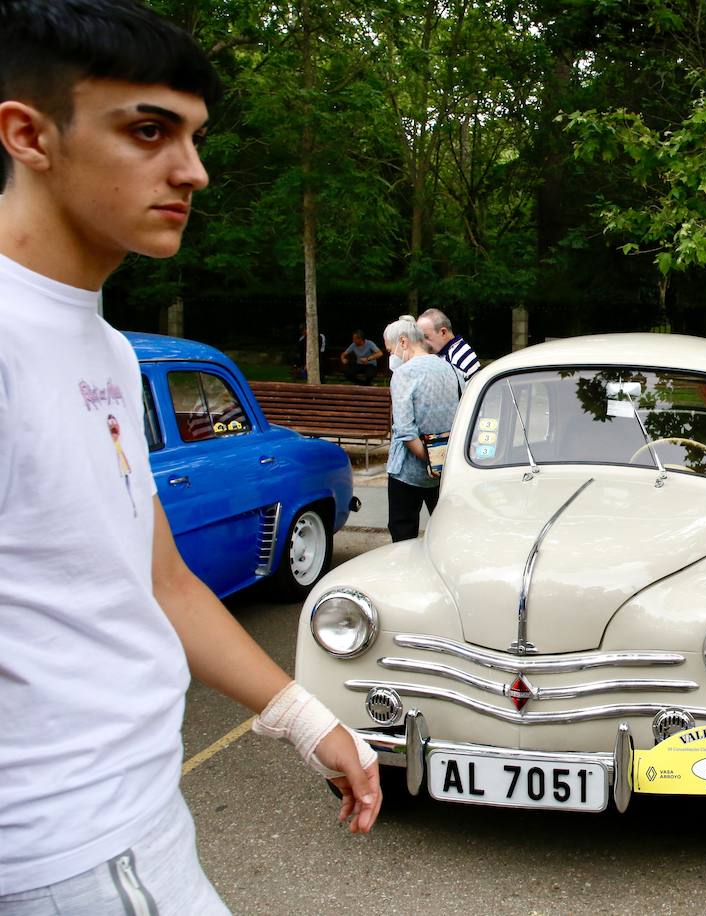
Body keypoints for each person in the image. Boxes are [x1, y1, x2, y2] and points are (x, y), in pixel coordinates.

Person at [0, 2, 379, 910]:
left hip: (142, 818)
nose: (194, 171)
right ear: (28, 135)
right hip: (66, 852)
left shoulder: (108, 351)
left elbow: (160, 580)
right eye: (148, 131)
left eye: (196, 136)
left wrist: (308, 720)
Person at [384, 315, 461, 542]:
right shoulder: (451, 370)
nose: (392, 356)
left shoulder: (403, 375)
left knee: (403, 534)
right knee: (445, 534)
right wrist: (440, 463)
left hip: (408, 472)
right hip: (445, 469)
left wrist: (429, 460)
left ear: (404, 342)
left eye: (391, 350)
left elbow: (406, 431)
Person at [417, 307, 480, 390]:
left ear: (443, 332)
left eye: (426, 337)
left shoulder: (458, 359)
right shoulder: (452, 352)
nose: (423, 343)